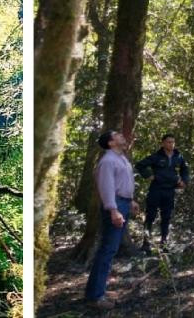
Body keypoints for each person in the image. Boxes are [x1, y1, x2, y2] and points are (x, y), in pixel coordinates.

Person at [83, 130, 137, 310]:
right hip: (115, 206)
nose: (122, 136)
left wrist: (131, 201)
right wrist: (114, 210)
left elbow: (123, 183)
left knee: (110, 250)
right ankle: (95, 296)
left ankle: (99, 290)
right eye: (118, 135)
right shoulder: (107, 161)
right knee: (107, 250)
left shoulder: (120, 158)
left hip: (123, 203)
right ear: (111, 142)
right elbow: (106, 188)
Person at [134, 133, 189, 249]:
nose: (171, 144)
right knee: (150, 216)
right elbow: (140, 165)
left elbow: (185, 169)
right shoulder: (156, 156)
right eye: (169, 142)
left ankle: (164, 243)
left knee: (166, 217)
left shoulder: (178, 157)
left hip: (170, 191)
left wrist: (184, 181)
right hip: (156, 190)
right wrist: (149, 175)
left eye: (173, 142)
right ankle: (146, 243)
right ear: (163, 143)